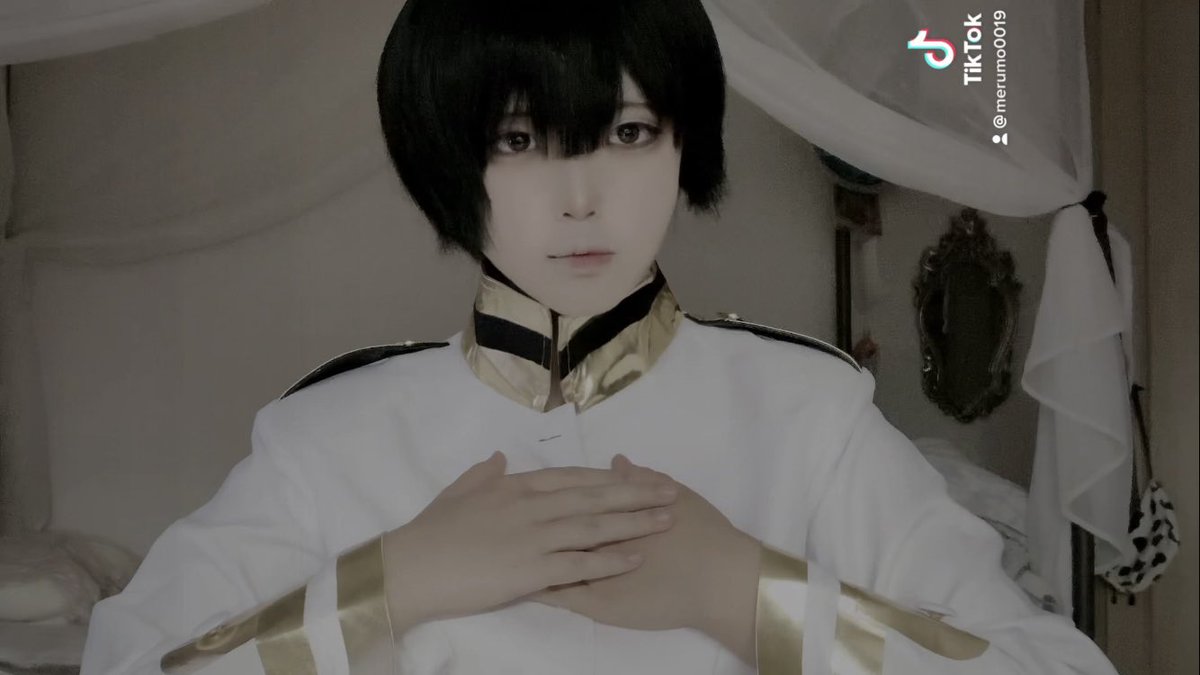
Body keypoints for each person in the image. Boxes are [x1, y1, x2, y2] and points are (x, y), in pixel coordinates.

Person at [81, 0, 1121, 673]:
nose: (581, 198)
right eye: (519, 140)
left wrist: (745, 593)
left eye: (628, 133)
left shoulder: (808, 414)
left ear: (683, 142)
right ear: (446, 159)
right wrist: (388, 585)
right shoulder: (327, 437)